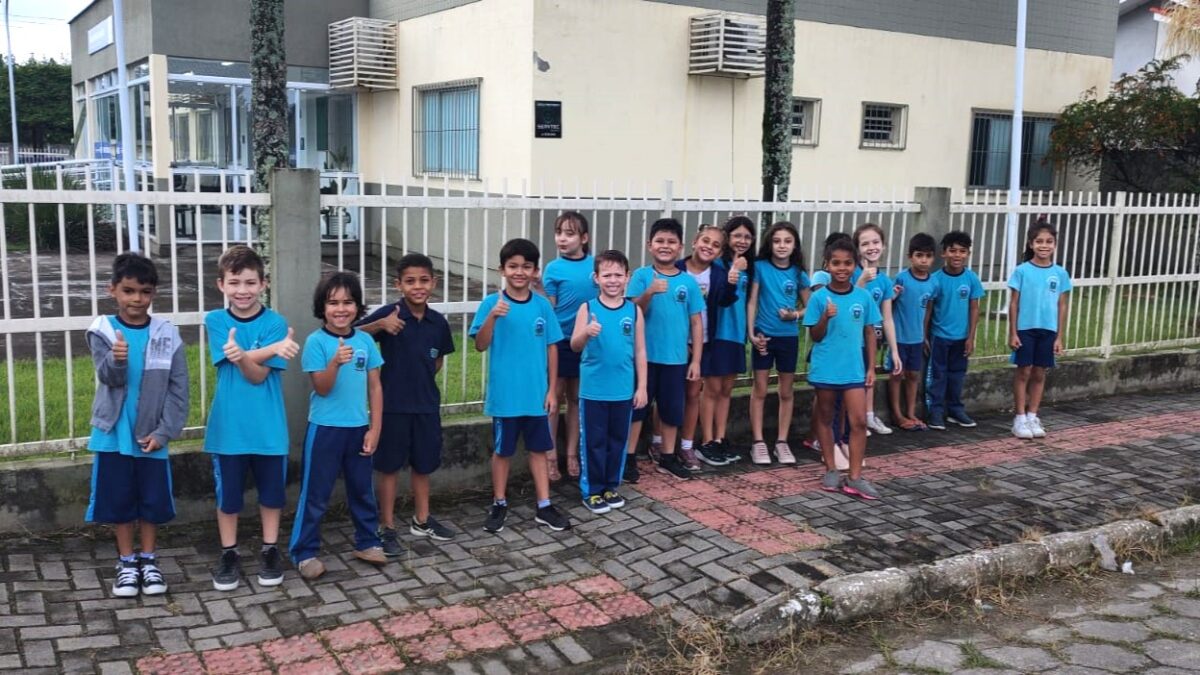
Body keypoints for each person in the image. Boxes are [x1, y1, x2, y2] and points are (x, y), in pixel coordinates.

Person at [85, 252, 189, 597]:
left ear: (153, 293)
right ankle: (126, 562)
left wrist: (164, 432)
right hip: (114, 434)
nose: (137, 299)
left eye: (144, 292)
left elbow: (179, 390)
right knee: (119, 501)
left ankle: (149, 558)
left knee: (150, 500)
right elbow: (107, 378)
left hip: (150, 436)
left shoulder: (166, 334)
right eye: (129, 291)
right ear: (113, 290)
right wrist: (117, 360)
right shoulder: (102, 330)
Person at [205, 245, 299, 591]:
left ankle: (270, 549)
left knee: (272, 495)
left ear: (263, 284)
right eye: (234, 283)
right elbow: (246, 366)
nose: (242, 290)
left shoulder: (276, 324)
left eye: (249, 282)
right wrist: (268, 350)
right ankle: (228, 553)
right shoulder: (215, 321)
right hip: (228, 428)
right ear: (221, 285)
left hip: (268, 428)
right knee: (228, 496)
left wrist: (246, 354)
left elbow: (256, 376)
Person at [358, 253, 457, 555]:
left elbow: (437, 359)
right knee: (388, 467)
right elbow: (351, 334)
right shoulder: (389, 314)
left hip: (426, 405)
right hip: (392, 407)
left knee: (423, 464)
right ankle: (386, 526)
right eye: (410, 281)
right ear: (398, 284)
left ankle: (422, 519)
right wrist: (380, 325)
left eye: (424, 281)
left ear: (434, 283)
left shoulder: (437, 321)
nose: (418, 287)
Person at [469, 238, 571, 533]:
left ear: (535, 271)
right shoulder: (492, 303)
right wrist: (492, 317)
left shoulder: (541, 306)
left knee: (539, 450)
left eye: (526, 266)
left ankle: (544, 505)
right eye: (513, 266)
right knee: (503, 451)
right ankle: (499, 502)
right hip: (505, 397)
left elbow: (553, 348)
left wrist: (552, 390)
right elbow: (479, 344)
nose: (519, 272)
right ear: (502, 269)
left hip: (536, 396)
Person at [292, 272, 388, 580]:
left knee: (362, 489)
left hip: (358, 428)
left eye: (348, 302)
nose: (341, 309)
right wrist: (335, 362)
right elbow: (321, 387)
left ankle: (368, 542)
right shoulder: (316, 342)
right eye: (333, 303)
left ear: (358, 306)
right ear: (323, 307)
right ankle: (304, 552)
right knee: (316, 493)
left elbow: (375, 387)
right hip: (325, 429)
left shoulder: (365, 340)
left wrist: (374, 428)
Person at [624, 218, 704, 482]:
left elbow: (696, 321)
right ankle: (628, 457)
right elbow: (633, 312)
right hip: (643, 359)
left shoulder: (688, 283)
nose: (665, 246)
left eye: (671, 242)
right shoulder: (641, 276)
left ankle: (668, 457)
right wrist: (649, 293)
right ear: (649, 245)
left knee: (671, 410)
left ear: (680, 247)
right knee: (637, 409)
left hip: (676, 359)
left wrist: (696, 362)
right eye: (660, 241)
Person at [571, 250, 648, 514]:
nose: (613, 280)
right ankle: (591, 490)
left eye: (618, 275)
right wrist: (586, 333)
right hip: (593, 391)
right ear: (596, 278)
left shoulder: (634, 310)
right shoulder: (588, 308)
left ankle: (609, 487)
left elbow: (640, 351)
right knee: (594, 441)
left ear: (627, 277)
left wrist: (642, 387)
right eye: (607, 275)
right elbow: (574, 345)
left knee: (617, 441)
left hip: (623, 392)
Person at [804, 239, 882, 500]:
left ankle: (855, 476)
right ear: (827, 265)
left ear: (855, 266)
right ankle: (830, 468)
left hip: (853, 371)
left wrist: (871, 367)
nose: (842, 268)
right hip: (826, 368)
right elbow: (815, 336)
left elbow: (871, 333)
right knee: (825, 418)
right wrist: (825, 317)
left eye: (847, 263)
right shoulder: (818, 297)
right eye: (836, 263)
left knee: (858, 421)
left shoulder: (864, 296)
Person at [746, 221, 810, 465]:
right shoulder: (760, 267)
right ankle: (758, 442)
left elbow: (810, 306)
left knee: (786, 390)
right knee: (759, 389)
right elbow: (752, 302)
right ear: (769, 244)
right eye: (777, 241)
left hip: (789, 338)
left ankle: (782, 442)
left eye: (787, 241)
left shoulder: (798, 273)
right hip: (764, 336)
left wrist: (794, 314)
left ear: (794, 245)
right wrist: (751, 332)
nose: (782, 246)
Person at [697, 216, 755, 467]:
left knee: (726, 390)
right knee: (711, 389)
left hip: (736, 334)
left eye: (747, 236)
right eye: (737, 235)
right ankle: (707, 441)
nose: (742, 241)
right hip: (717, 333)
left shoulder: (748, 266)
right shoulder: (717, 265)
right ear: (727, 238)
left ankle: (720, 438)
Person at [542, 211, 595, 481]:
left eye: (570, 233)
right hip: (560, 341)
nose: (562, 238)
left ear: (584, 238)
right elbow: (549, 306)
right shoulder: (553, 268)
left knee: (576, 399)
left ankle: (572, 454)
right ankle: (550, 457)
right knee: (555, 399)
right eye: (559, 232)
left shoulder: (595, 266)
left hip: (587, 342)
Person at [1008, 219, 1071, 439]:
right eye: (1039, 241)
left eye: (1049, 241)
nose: (1044, 245)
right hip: (1025, 329)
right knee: (1024, 370)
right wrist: (1013, 332)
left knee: (1039, 372)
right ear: (1030, 244)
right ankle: (1020, 417)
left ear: (1055, 244)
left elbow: (1062, 305)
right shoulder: (1022, 271)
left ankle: (1033, 415)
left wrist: (1059, 337)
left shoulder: (1060, 273)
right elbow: (1014, 303)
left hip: (1048, 330)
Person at [676, 224, 732, 470]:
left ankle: (687, 445)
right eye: (705, 241)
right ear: (694, 242)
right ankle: (657, 442)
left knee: (692, 394)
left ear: (720, 253)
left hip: (703, 342)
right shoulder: (676, 269)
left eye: (716, 245)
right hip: (674, 343)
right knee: (668, 395)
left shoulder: (719, 275)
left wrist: (731, 282)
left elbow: (726, 300)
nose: (709, 246)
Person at [924, 231, 985, 430]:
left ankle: (955, 410)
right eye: (952, 251)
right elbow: (929, 309)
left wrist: (970, 337)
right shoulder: (935, 280)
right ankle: (936, 411)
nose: (957, 255)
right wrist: (925, 335)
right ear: (944, 253)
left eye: (962, 251)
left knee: (957, 375)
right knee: (938, 375)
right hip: (939, 337)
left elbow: (974, 308)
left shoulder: (971, 279)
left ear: (968, 253)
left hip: (961, 338)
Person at [853, 223, 902, 436]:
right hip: (852, 339)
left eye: (875, 242)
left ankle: (869, 416)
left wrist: (895, 350)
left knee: (869, 377)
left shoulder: (885, 281)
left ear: (883, 246)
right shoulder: (852, 273)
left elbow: (888, 318)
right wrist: (862, 280)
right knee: (853, 381)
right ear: (857, 248)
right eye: (865, 243)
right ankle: (856, 420)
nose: (871, 247)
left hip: (872, 338)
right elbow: (850, 302)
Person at [887, 233, 937, 431]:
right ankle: (896, 414)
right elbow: (888, 304)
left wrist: (924, 335)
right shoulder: (901, 278)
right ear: (910, 256)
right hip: (899, 338)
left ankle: (910, 412)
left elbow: (928, 310)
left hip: (916, 339)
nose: (923, 260)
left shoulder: (934, 283)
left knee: (914, 375)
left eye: (928, 256)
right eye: (919, 255)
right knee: (896, 375)